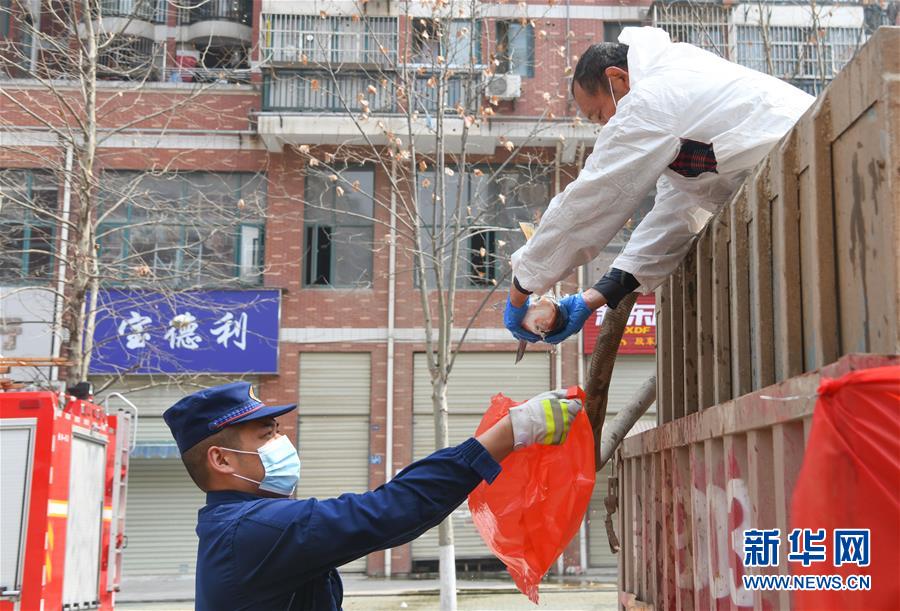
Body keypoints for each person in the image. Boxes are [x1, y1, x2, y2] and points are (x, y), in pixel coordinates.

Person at [504, 26, 815, 344]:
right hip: (801, 176)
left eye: (600, 115)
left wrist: (520, 289)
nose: (606, 126)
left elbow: (589, 201)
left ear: (617, 79)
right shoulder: (675, 104)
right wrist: (590, 299)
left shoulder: (651, 99)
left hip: (810, 156)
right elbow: (676, 215)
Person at [163, 381, 582, 610]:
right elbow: (389, 510)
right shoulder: (252, 531)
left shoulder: (240, 528)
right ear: (222, 460)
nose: (282, 442)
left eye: (279, 431)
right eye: (266, 435)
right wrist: (507, 433)